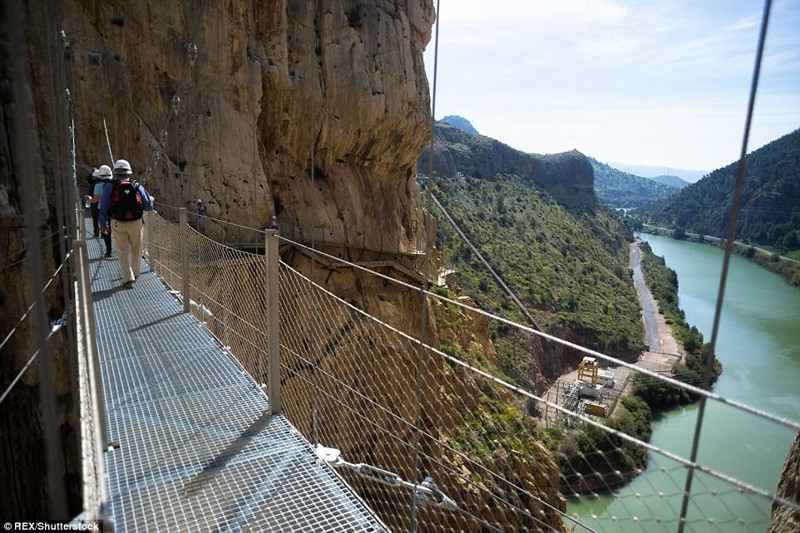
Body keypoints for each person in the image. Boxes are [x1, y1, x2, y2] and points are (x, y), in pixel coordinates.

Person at [99, 159, 154, 289]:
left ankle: (128, 278)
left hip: (117, 223)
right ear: (129, 173)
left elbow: (104, 207)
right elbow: (148, 206)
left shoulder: (109, 187)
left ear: (116, 173)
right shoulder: (136, 186)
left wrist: (103, 223)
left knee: (122, 252)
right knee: (136, 248)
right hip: (136, 222)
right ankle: (135, 273)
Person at [86, 165, 114, 256]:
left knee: (105, 229)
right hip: (114, 210)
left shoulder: (98, 186)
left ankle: (108, 250)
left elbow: (95, 199)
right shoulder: (114, 184)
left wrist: (89, 198)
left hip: (102, 209)